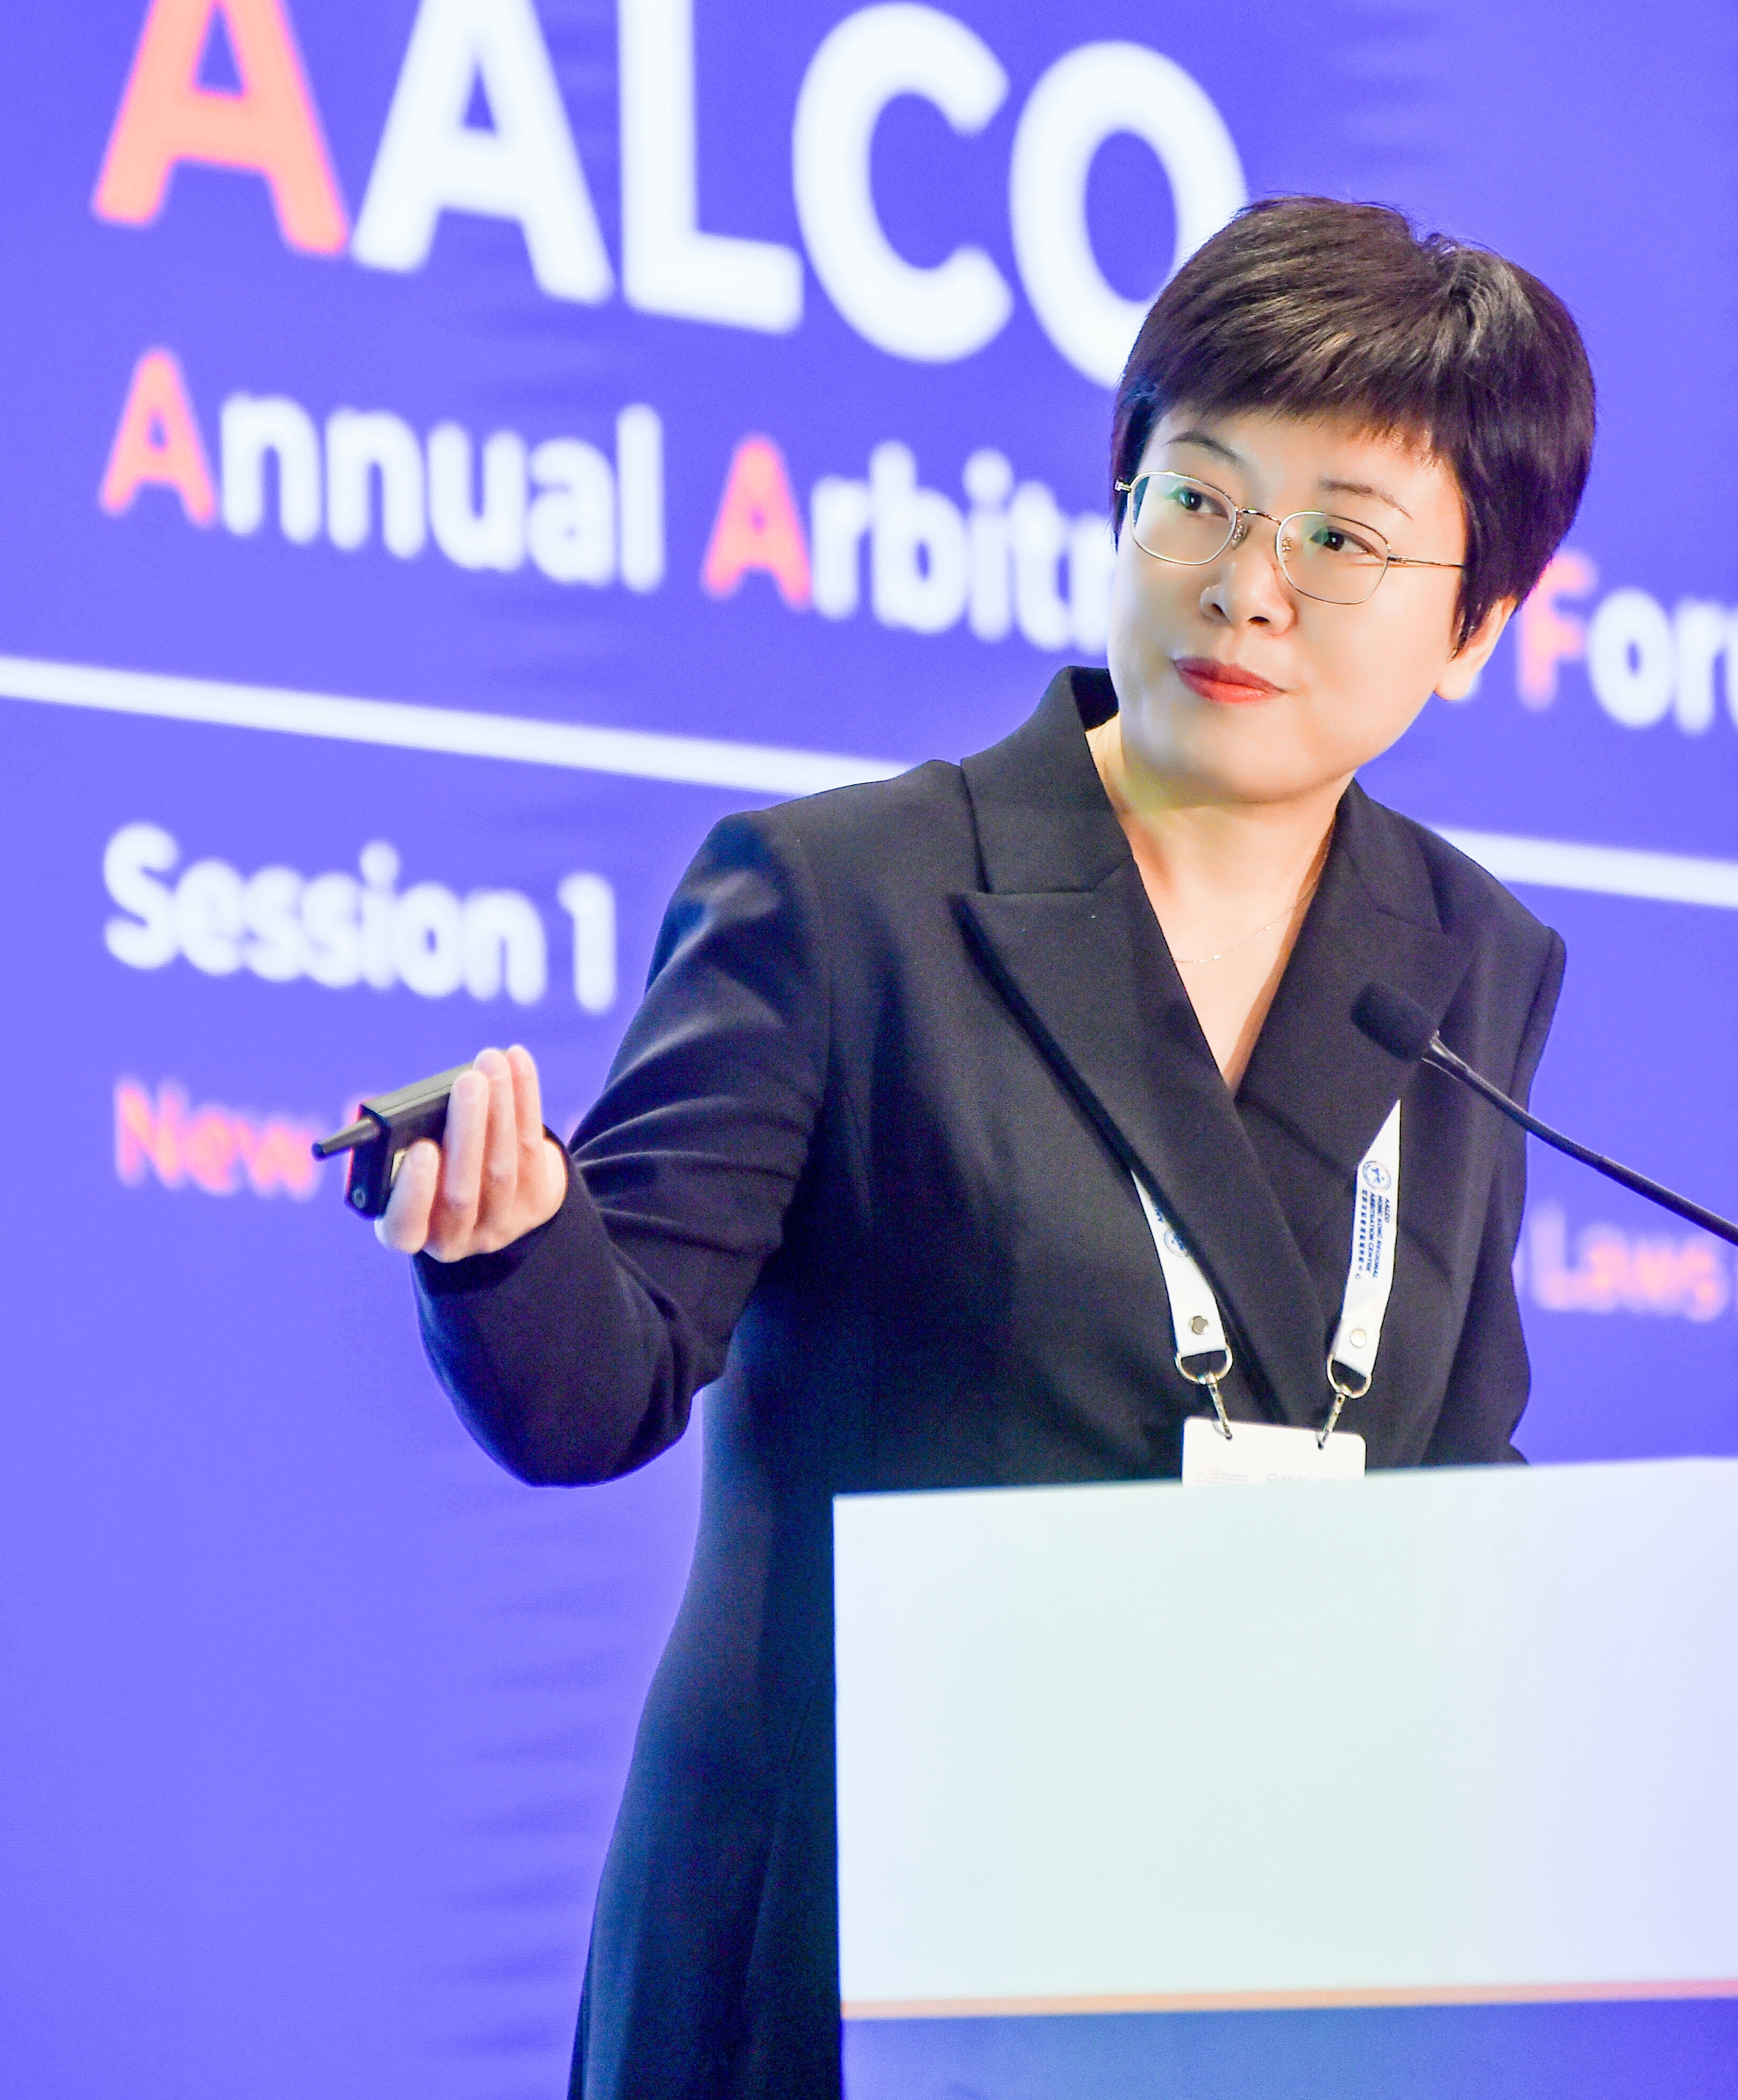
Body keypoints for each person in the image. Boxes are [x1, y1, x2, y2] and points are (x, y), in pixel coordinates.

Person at [379, 198, 1595, 2098]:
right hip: (849, 1951)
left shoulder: (1464, 960)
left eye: (1341, 538)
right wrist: (509, 1244)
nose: (1247, 584)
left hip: (1244, 1956)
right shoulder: (844, 896)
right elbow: (596, 1384)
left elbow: (1444, 1465)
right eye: (1199, 497)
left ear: (1479, 624)